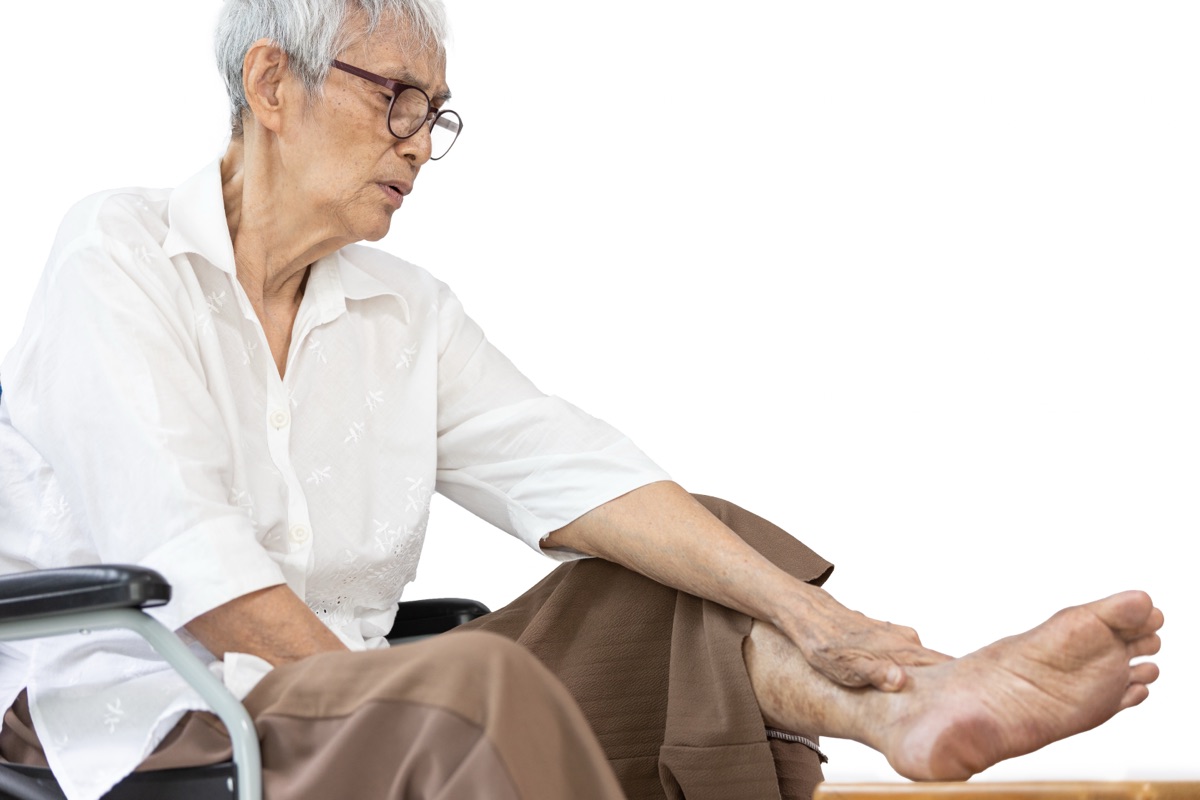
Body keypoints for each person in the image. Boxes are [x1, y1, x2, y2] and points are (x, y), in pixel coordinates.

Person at [0, 1, 1163, 799]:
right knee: (476, 678)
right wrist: (385, 695)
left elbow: (571, 468)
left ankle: (907, 703)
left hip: (342, 697)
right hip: (155, 718)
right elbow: (192, 559)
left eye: (435, 113)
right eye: (397, 97)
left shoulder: (405, 308)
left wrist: (817, 618)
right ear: (270, 82)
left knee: (680, 573)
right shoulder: (116, 252)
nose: (420, 144)